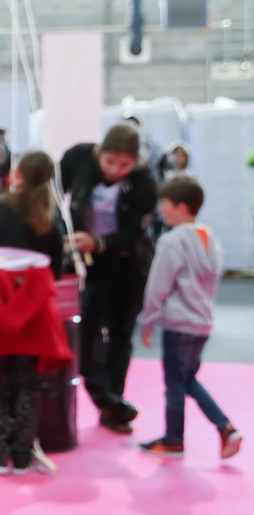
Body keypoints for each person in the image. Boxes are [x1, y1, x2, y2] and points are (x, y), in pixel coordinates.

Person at [0, 151, 71, 475]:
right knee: (28, 383)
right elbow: (55, 271)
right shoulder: (51, 221)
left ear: (18, 176)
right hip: (36, 314)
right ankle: (23, 456)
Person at [60, 122, 157, 434]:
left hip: (130, 264)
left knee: (120, 334)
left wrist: (99, 242)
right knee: (86, 328)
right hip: (89, 262)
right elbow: (54, 195)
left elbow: (132, 232)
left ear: (135, 162)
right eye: (110, 162)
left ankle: (113, 404)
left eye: (124, 164)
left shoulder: (145, 183)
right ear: (99, 153)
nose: (116, 170)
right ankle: (102, 394)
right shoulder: (76, 158)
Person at [137, 176, 242, 459]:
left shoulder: (172, 241)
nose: (161, 210)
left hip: (179, 323)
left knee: (175, 383)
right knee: (187, 379)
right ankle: (224, 429)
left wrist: (147, 320)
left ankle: (178, 438)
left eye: (165, 204)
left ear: (181, 207)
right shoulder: (209, 237)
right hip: (202, 323)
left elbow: (158, 284)